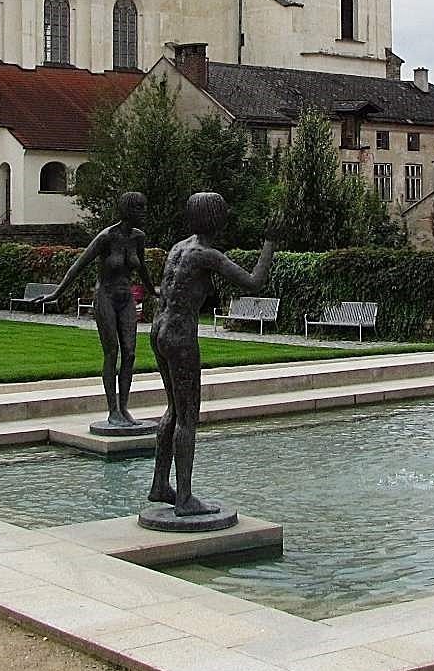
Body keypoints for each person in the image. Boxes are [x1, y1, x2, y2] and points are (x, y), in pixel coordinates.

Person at [147, 192, 274, 520]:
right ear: (215, 219)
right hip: (179, 334)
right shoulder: (207, 255)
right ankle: (184, 497)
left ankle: (161, 484)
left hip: (159, 328)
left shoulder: (179, 247)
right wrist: (270, 243)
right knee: (188, 416)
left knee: (173, 409)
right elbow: (254, 282)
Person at [51, 191, 154, 433]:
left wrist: (153, 290)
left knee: (129, 353)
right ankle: (113, 410)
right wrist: (57, 293)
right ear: (127, 210)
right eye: (139, 207)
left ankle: (125, 408)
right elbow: (79, 265)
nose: (144, 212)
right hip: (105, 296)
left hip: (126, 297)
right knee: (112, 351)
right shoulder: (107, 237)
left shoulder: (139, 237)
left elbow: (143, 268)